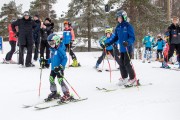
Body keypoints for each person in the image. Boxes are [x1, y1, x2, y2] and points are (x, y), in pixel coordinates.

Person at [102, 10, 136, 86]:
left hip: (128, 48)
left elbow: (132, 38)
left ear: (124, 17)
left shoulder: (128, 26)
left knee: (127, 63)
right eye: (118, 18)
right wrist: (108, 43)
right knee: (121, 63)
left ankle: (133, 78)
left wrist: (128, 42)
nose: (119, 19)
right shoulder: (118, 27)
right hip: (122, 49)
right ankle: (124, 78)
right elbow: (116, 38)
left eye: (120, 17)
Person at [40, 33, 74, 102]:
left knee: (60, 80)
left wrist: (61, 66)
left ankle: (66, 93)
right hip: (53, 69)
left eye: (52, 42)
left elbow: (65, 59)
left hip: (59, 69)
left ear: (57, 41)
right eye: (49, 43)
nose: (50, 44)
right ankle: (54, 92)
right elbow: (51, 60)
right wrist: (45, 61)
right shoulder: (53, 50)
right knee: (51, 79)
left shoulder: (60, 49)